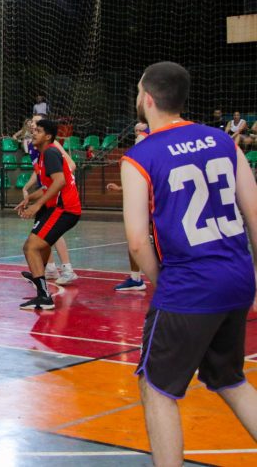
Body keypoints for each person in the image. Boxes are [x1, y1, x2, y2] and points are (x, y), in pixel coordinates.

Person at [121, 61, 257, 465]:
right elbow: (254, 216)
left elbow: (135, 240)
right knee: (230, 378)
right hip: (236, 278)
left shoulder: (140, 156)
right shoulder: (223, 140)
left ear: (147, 98)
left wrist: (163, 280)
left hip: (190, 284)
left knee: (157, 387)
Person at [14, 119, 82, 310]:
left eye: (39, 131)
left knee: (30, 248)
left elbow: (59, 182)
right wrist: (30, 199)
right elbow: (47, 187)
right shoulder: (44, 155)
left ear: (48, 136)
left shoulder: (51, 152)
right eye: (34, 130)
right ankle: (40, 280)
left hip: (64, 209)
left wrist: (37, 206)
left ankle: (44, 295)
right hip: (59, 208)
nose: (34, 133)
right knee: (39, 247)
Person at [106, 122, 150, 291]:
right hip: (145, 201)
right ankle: (136, 278)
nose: (138, 133)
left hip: (155, 202)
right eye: (136, 131)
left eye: (141, 130)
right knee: (135, 238)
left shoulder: (146, 145)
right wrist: (120, 188)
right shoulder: (141, 151)